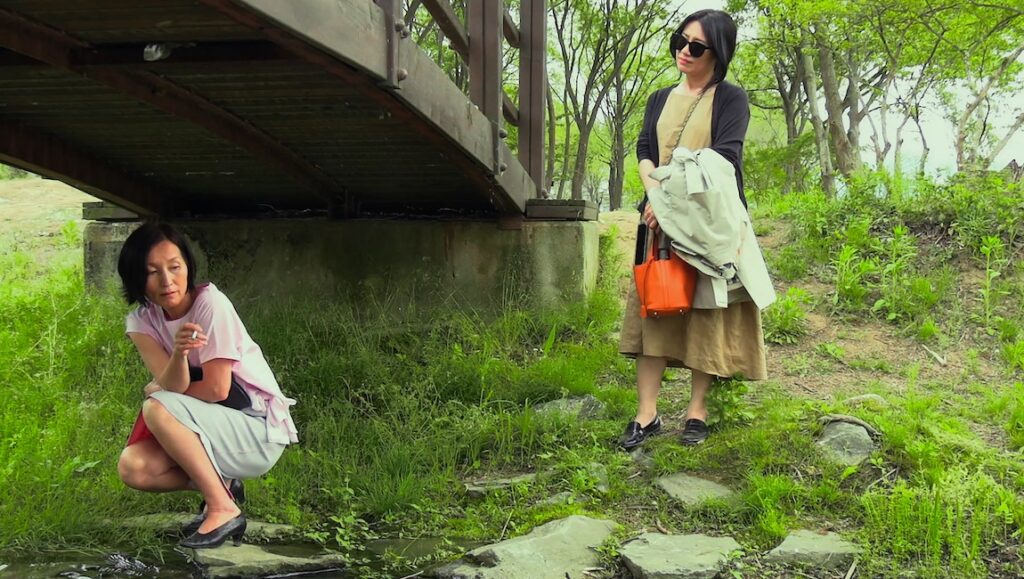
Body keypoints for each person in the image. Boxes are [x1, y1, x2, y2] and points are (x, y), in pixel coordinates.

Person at [618, 9, 770, 449]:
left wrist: (668, 204)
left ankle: (696, 413)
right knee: (655, 308)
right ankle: (646, 415)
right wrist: (656, 200)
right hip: (657, 221)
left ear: (718, 53)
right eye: (680, 41)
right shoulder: (659, 98)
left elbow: (724, 157)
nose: (684, 51)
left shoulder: (730, 98)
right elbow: (645, 149)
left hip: (706, 222)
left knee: (705, 313)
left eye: (696, 46)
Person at [115, 222, 298, 548]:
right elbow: (172, 386)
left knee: (157, 408)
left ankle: (223, 508)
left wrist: (163, 394)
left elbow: (217, 390)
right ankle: (222, 484)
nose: (167, 280)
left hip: (256, 430)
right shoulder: (141, 322)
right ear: (136, 277)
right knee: (134, 468)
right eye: (152, 272)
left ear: (188, 265)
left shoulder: (210, 304)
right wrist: (179, 354)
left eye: (175, 267)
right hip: (212, 428)